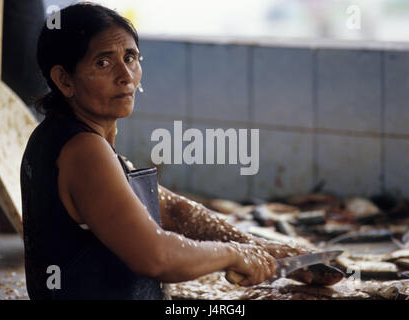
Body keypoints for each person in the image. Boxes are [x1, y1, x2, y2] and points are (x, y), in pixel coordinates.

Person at [20, 3, 312, 300]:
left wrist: (265, 250)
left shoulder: (59, 135)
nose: (126, 76)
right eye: (103, 63)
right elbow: (156, 256)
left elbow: (172, 209)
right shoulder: (84, 150)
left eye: (130, 58)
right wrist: (232, 254)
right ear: (64, 80)